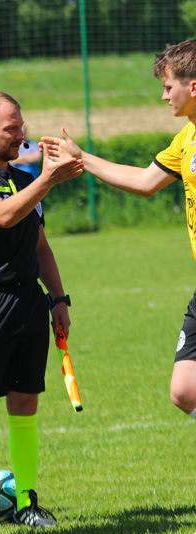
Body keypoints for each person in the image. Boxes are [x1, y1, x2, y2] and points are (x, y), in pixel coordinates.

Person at [0, 90, 83, 529]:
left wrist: (59, 299)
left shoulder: (26, 179)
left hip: (29, 302)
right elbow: (3, 216)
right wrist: (47, 178)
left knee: (25, 403)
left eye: (21, 125)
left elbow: (41, 246)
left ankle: (26, 500)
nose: (21, 135)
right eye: (11, 128)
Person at [47, 39, 196, 426]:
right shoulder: (186, 138)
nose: (164, 96)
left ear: (192, 87)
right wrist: (80, 158)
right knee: (184, 390)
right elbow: (145, 180)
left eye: (168, 87)